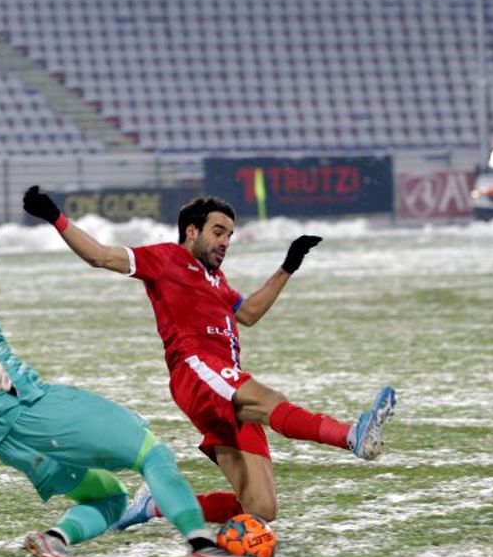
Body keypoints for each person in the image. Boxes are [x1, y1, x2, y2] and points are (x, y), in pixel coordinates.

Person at [0, 222, 263, 557]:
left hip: (2, 441)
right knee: (152, 453)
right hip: (32, 409)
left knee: (110, 498)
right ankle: (201, 544)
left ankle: (54, 538)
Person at [23, 186, 396, 529]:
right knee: (269, 402)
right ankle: (351, 436)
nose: (226, 241)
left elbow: (248, 313)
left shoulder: (216, 279)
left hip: (225, 383)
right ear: (191, 231)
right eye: (218, 232)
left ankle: (155, 506)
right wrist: (54, 215)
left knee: (261, 509)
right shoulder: (166, 260)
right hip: (197, 370)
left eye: (230, 235)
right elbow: (100, 256)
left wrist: (288, 266)